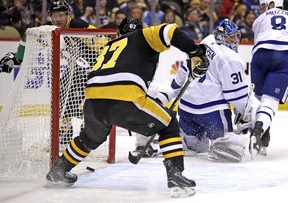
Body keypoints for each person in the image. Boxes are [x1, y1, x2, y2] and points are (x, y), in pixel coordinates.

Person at [44, 17, 209, 198]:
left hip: (93, 99)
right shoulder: (143, 36)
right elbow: (170, 30)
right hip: (125, 97)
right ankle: (176, 176)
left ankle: (58, 171)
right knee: (168, 124)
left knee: (89, 138)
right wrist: (195, 51)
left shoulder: (109, 45)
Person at [154, 19, 260, 162]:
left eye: (235, 36)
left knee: (197, 148)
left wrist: (171, 90)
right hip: (212, 114)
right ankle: (221, 144)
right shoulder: (230, 58)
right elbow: (237, 97)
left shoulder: (205, 42)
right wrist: (245, 116)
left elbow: (183, 74)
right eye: (231, 37)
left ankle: (172, 143)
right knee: (230, 148)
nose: (234, 40)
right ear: (222, 37)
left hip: (186, 111)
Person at [0, 0, 98, 144]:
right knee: (61, 95)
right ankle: (66, 132)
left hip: (97, 67)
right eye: (54, 15)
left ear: (67, 15)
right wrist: (17, 57)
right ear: (50, 16)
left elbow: (104, 38)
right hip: (77, 69)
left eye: (61, 15)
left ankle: (89, 126)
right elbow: (29, 34)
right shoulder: (49, 29)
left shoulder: (78, 25)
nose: (58, 19)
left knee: (84, 99)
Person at [249, 0, 288, 156]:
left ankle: (261, 136)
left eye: (264, 6)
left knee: (258, 99)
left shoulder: (258, 20)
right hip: (283, 55)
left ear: (272, 4)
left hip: (259, 55)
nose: (263, 9)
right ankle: (260, 130)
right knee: (270, 100)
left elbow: (258, 39)